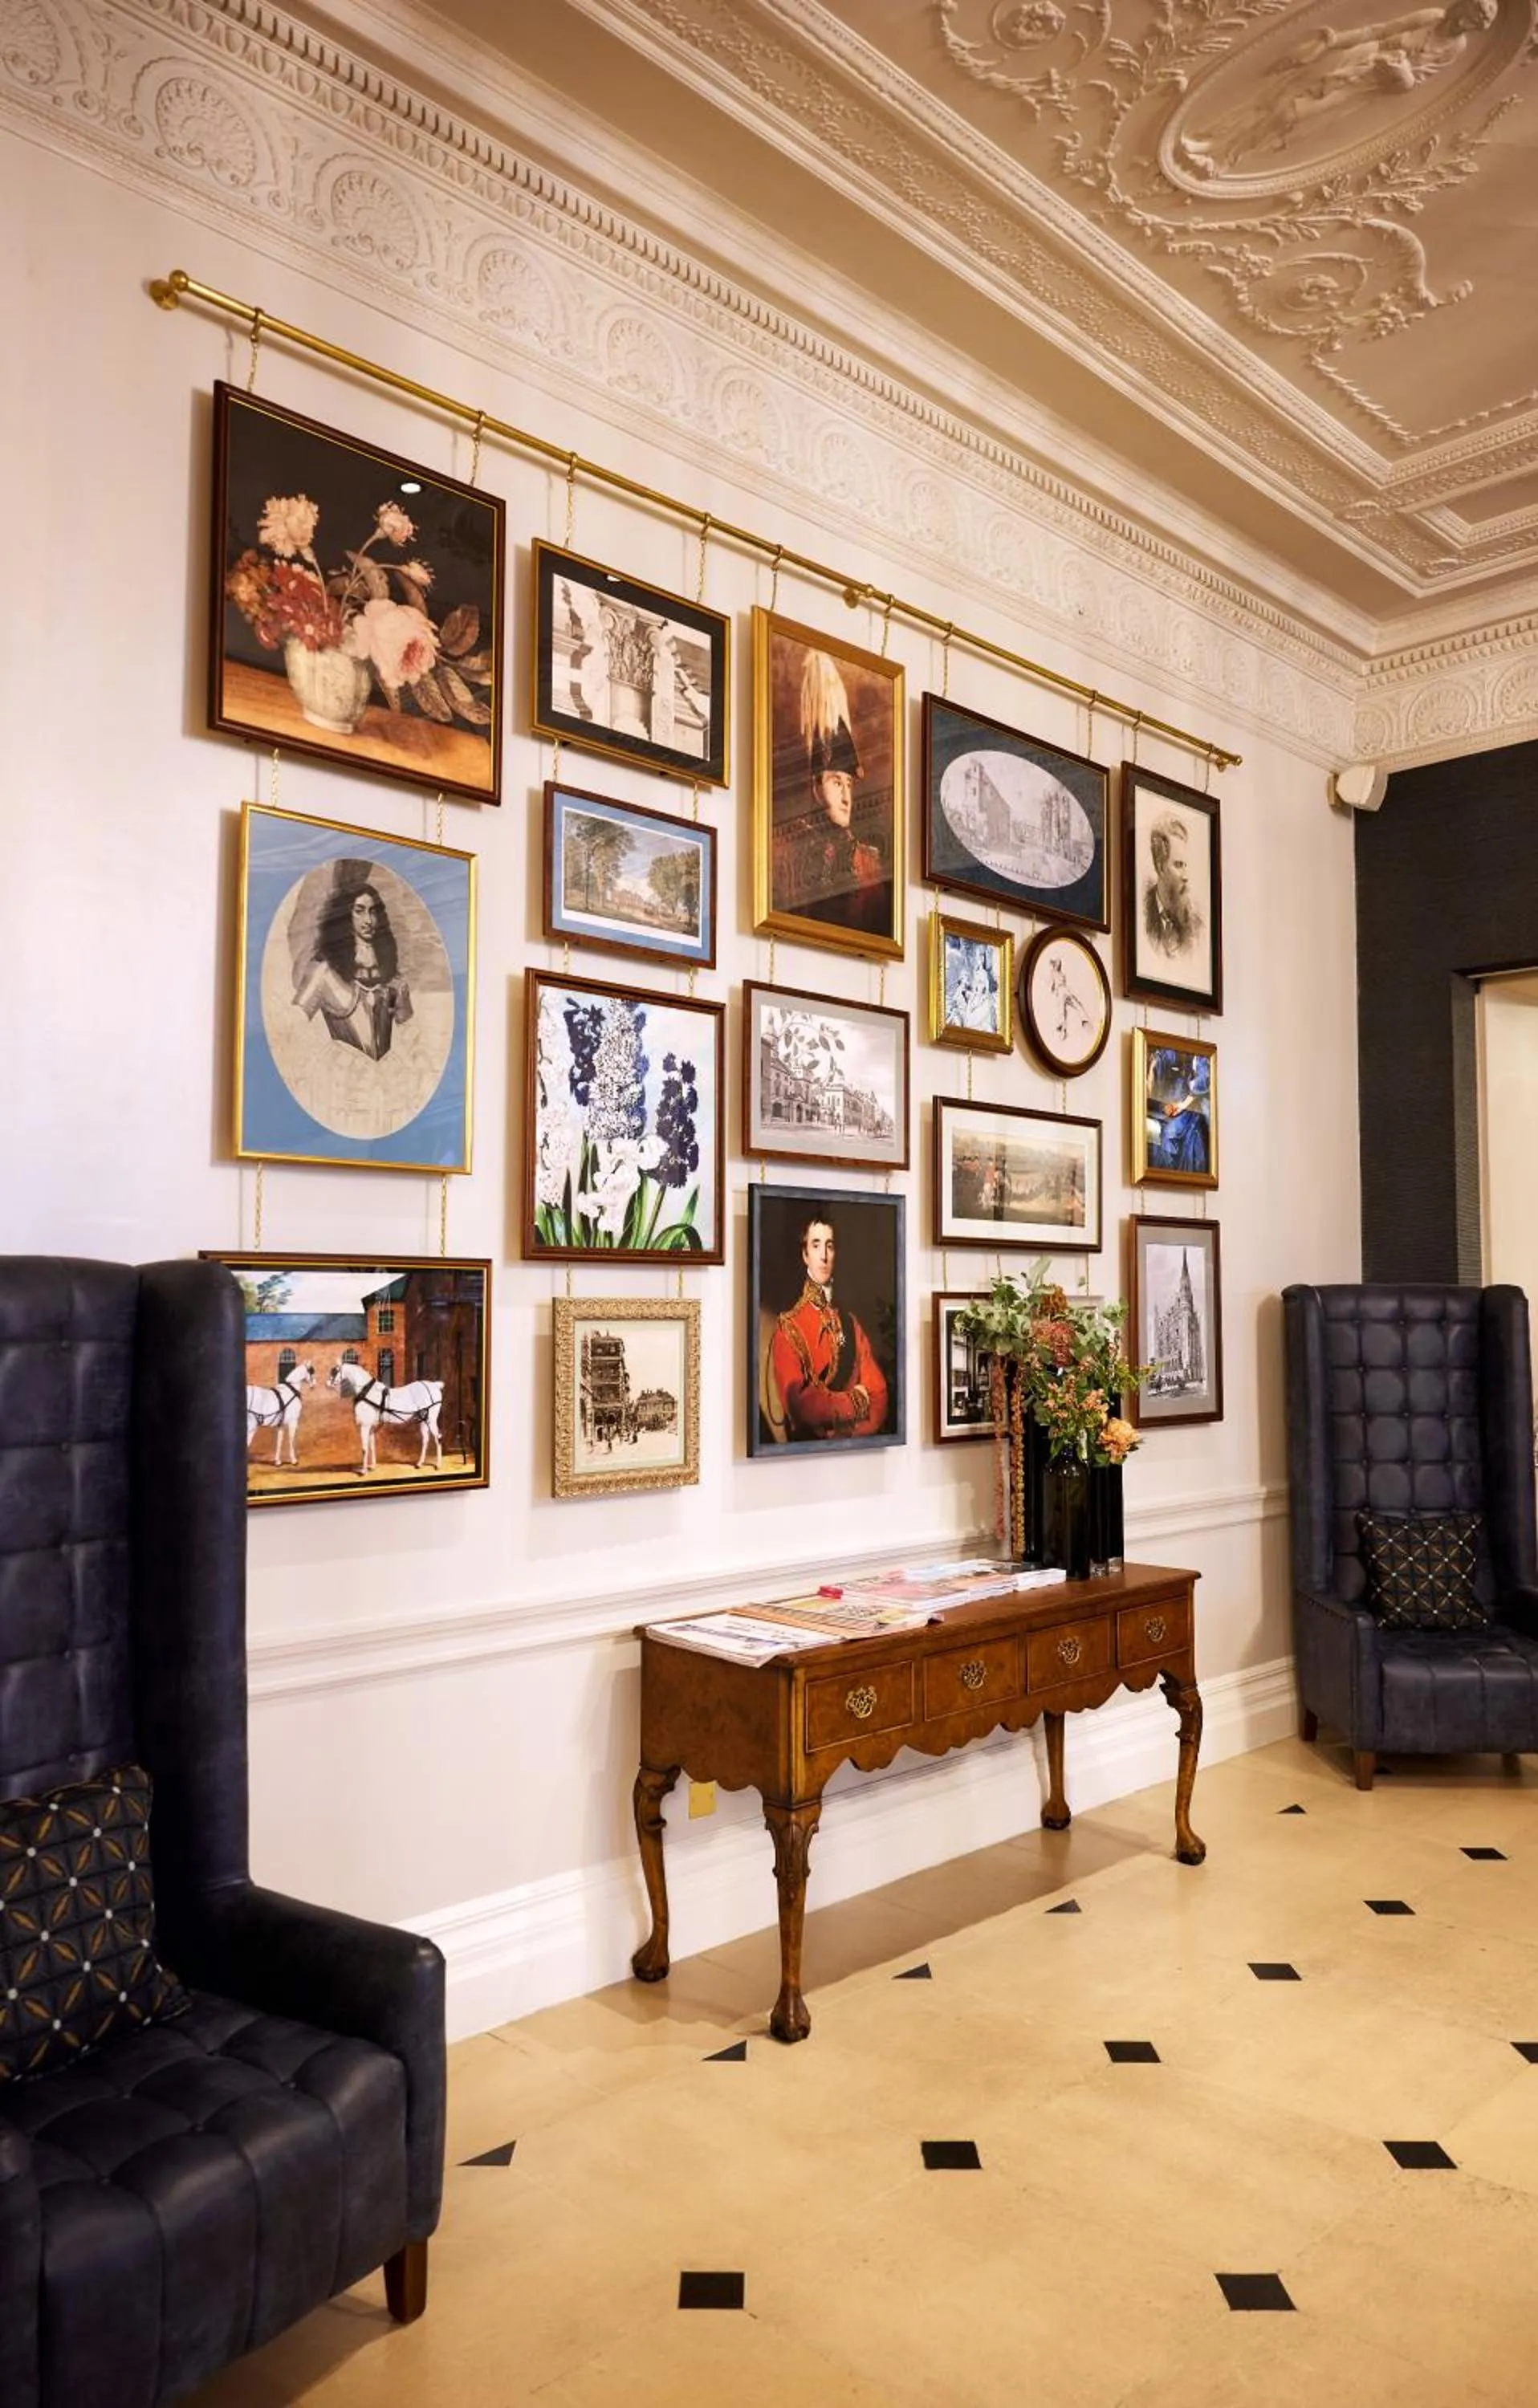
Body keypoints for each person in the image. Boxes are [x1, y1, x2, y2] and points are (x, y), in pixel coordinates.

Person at [1181, 0, 1496, 171]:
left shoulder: (1456, 48)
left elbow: (1412, 84)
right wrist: (1334, 42)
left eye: (1473, 24)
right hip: (1354, 58)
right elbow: (1378, 30)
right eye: (1467, 15)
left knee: (1291, 115)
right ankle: (1213, 143)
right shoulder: (1430, 16)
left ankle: (1225, 159)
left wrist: (1400, 71)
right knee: (1277, 97)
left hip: (1365, 85)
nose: (1464, 24)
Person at [787, 649, 891, 936]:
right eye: (836, 783)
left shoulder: (869, 861)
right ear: (816, 788)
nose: (847, 797)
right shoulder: (792, 852)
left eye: (849, 784)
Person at [769, 1214, 889, 1440]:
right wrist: (855, 1401)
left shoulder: (850, 1323)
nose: (824, 1256)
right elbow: (800, 1406)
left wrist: (847, 1434)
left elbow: (880, 1395)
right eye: (816, 1246)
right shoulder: (789, 1328)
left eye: (829, 1246)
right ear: (805, 1254)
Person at [293, 866, 413, 1060]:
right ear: (345, 916)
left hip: (388, 1077)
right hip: (341, 1077)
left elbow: (407, 1028)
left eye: (373, 912)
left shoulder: (391, 971)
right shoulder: (323, 970)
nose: (368, 921)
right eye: (359, 911)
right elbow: (295, 1024)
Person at [1142, 812, 1203, 961]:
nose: (1186, 876)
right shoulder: (1141, 914)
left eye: (1186, 865)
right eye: (1178, 865)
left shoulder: (1196, 924)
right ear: (1161, 868)